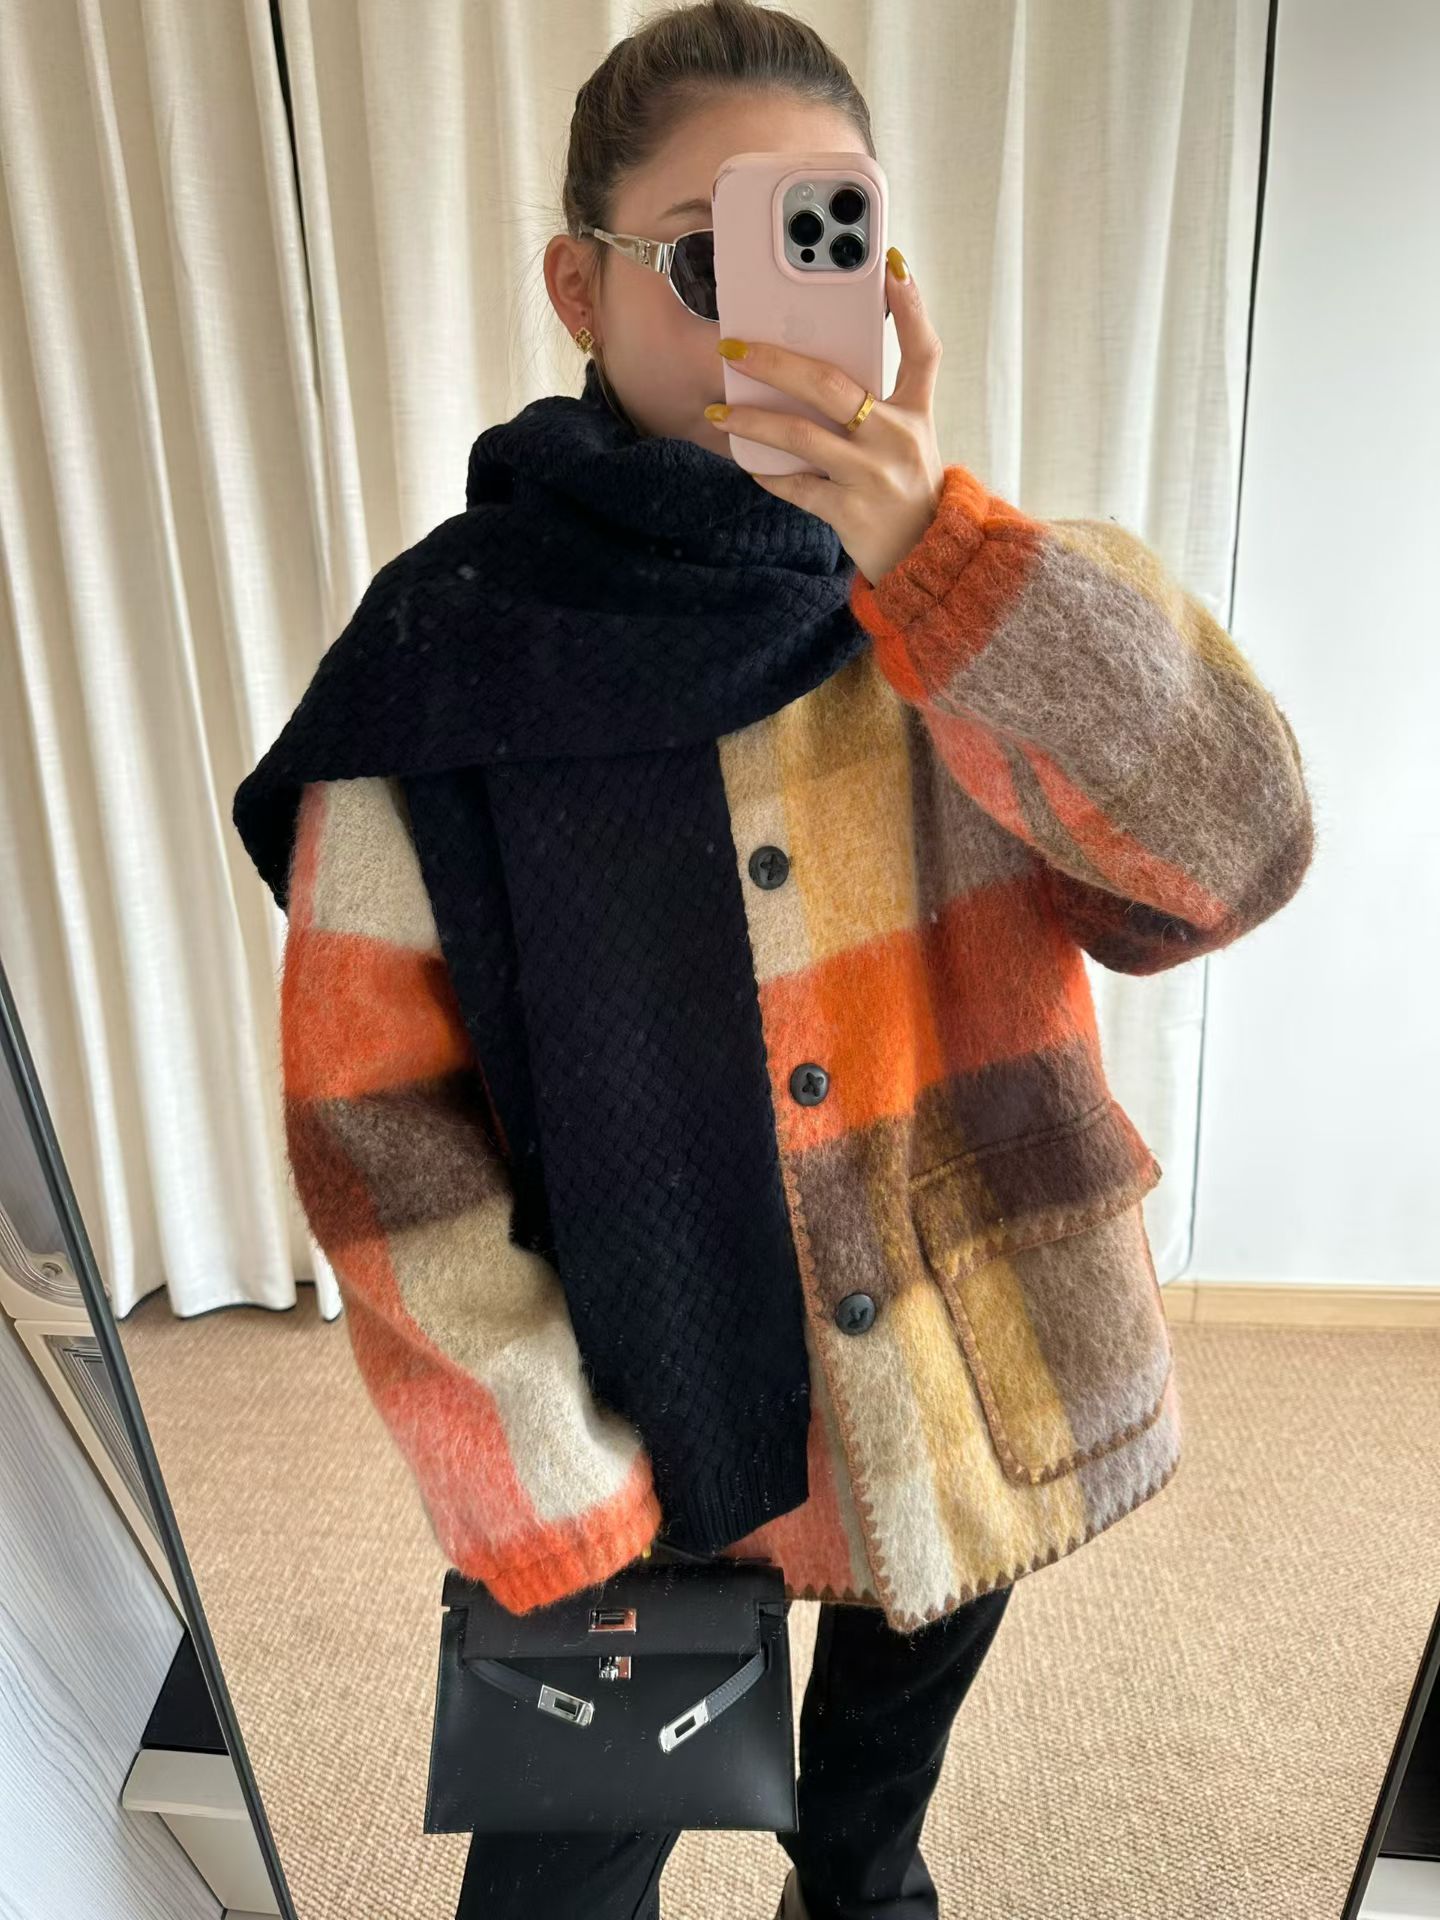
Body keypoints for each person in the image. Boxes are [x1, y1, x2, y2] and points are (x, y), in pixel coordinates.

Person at [231, 3, 1314, 1916]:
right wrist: (541, 1476)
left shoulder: (982, 603)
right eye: (705, 252)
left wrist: (942, 565)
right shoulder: (451, 650)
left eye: (825, 235)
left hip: (963, 1359)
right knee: (566, 1883)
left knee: (867, 1845)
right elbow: (377, 1121)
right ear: (579, 286)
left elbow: (1234, 858)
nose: (773, 302)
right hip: (630, 1402)